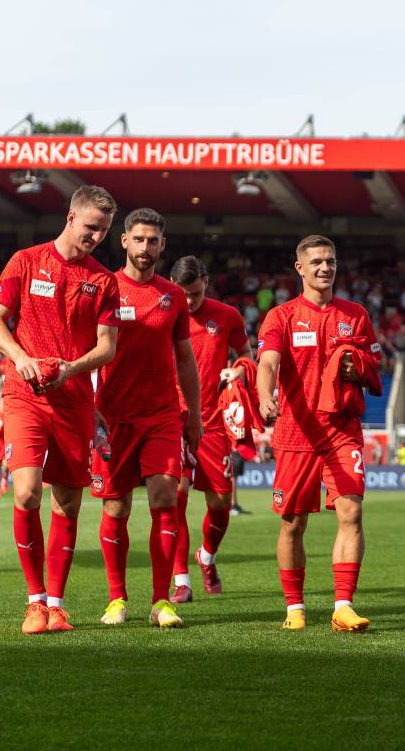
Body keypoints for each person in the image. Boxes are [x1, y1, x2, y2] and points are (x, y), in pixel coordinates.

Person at [0, 185, 120, 634]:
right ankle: (34, 601)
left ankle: (56, 606)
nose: (96, 237)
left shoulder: (103, 280)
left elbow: (108, 347)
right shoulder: (25, 261)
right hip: (25, 395)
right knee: (26, 492)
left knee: (68, 502)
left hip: (75, 399)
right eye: (91, 227)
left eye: (103, 231)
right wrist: (21, 359)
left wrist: (71, 368)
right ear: (70, 217)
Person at [257, 234, 381, 633]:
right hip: (296, 433)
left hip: (343, 430)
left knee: (352, 512)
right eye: (316, 262)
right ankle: (295, 606)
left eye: (330, 261)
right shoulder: (281, 316)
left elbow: (374, 364)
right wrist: (264, 394)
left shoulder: (356, 314)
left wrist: (357, 368)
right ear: (300, 268)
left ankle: (343, 605)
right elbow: (269, 361)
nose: (325, 268)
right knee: (293, 523)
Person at [92, 208, 201, 629]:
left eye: (152, 240)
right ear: (123, 241)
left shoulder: (172, 296)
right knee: (116, 508)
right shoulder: (103, 288)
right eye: (138, 239)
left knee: (164, 497)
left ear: (162, 244)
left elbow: (185, 358)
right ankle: (117, 599)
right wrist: (90, 406)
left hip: (160, 415)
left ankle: (161, 600)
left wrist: (193, 415)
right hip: (113, 416)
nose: (145, 247)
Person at [167, 256, 252, 604]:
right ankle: (181, 581)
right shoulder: (163, 312)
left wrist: (240, 370)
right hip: (171, 420)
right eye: (183, 294)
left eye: (195, 294)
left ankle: (206, 556)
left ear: (206, 281)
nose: (189, 302)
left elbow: (247, 354)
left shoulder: (227, 315)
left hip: (213, 424)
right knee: (175, 498)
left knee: (219, 504)